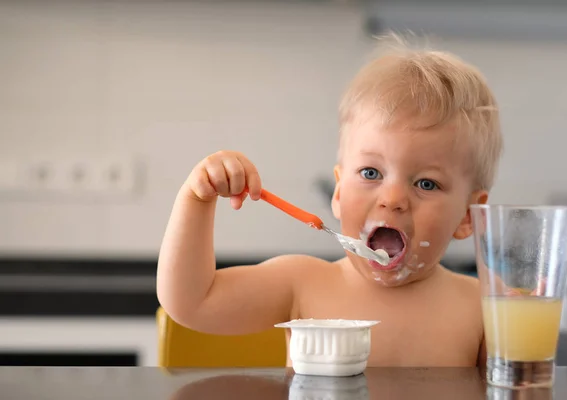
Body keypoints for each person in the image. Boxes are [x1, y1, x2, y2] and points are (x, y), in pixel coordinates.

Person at [156, 36, 503, 367]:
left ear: (468, 217)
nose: (393, 199)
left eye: (426, 183)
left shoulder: (485, 308)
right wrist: (196, 198)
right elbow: (191, 302)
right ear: (338, 193)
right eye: (370, 173)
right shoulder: (302, 284)